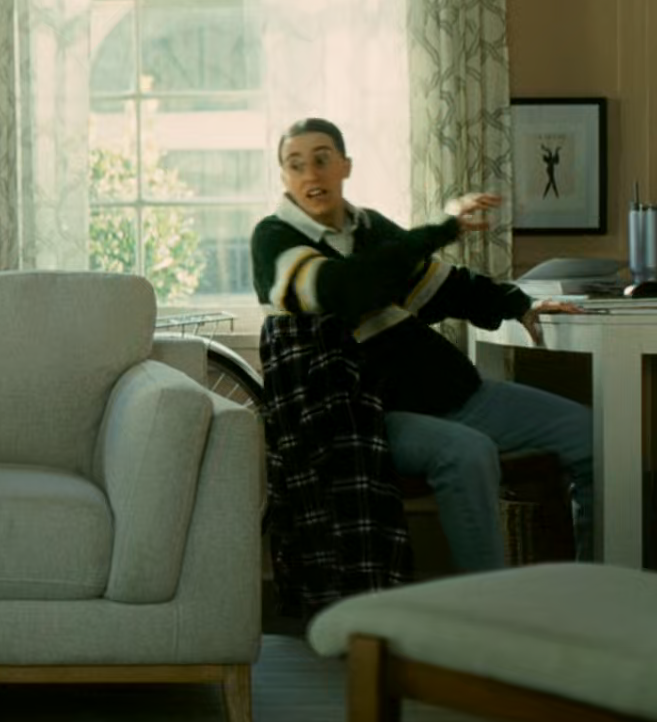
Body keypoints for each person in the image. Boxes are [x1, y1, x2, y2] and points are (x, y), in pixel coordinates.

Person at [251, 117, 595, 572]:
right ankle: (491, 601)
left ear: (345, 166)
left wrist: (519, 304)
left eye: (322, 159)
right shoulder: (274, 238)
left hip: (451, 393)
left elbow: (440, 286)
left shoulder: (368, 227)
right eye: (296, 165)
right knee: (467, 452)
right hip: (369, 417)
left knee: (589, 434)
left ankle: (596, 583)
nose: (310, 174)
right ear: (284, 177)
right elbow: (346, 288)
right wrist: (440, 230)